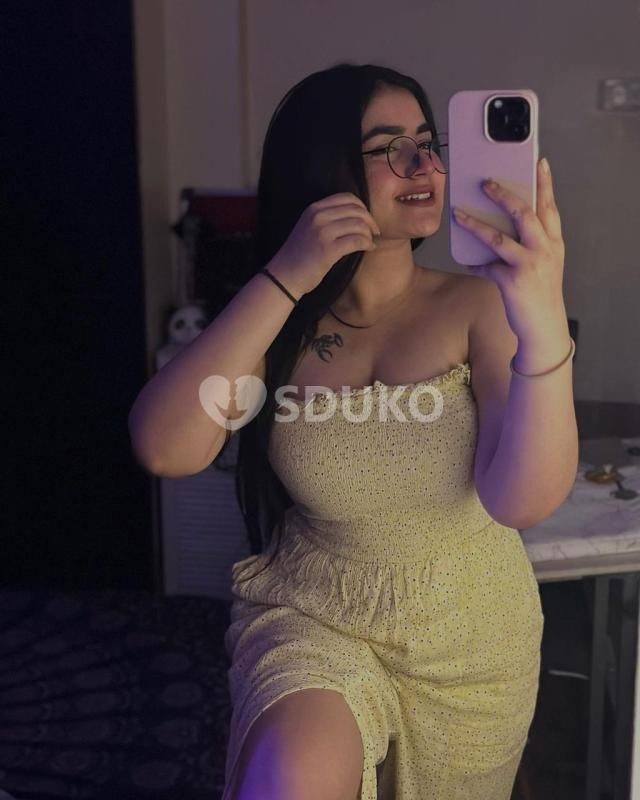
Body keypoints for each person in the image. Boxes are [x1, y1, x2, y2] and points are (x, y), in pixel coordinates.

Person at [128, 62, 577, 800]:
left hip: (470, 635)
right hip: (316, 614)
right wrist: (285, 278)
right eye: (391, 146)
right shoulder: (278, 324)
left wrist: (542, 318)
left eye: (428, 142)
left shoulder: (477, 308)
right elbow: (165, 448)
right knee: (292, 773)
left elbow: (521, 501)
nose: (425, 164)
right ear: (325, 167)